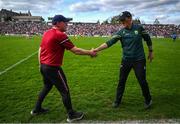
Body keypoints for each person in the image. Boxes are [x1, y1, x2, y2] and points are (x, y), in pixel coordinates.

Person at [31, 14, 97, 122]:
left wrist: (40, 65)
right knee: (64, 90)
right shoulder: (60, 35)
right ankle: (71, 115)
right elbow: (76, 50)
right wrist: (90, 52)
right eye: (64, 22)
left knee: (47, 87)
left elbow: (40, 49)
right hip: (53, 68)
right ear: (57, 23)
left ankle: (36, 109)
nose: (67, 24)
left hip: (44, 66)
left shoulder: (47, 33)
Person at [93, 11, 153, 109]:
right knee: (121, 81)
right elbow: (110, 42)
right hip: (126, 60)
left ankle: (148, 99)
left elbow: (148, 39)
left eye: (123, 20)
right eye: (121, 21)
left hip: (139, 60)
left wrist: (151, 51)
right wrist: (96, 49)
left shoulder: (139, 28)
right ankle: (117, 101)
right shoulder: (121, 32)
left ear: (129, 19)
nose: (121, 22)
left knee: (142, 80)